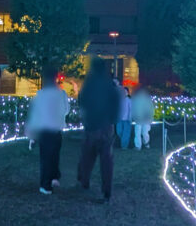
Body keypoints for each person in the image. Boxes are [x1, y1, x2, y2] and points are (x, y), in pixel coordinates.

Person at [77, 57, 119, 202]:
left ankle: (84, 181)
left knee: (87, 157)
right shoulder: (109, 84)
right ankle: (107, 190)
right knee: (106, 161)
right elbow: (116, 103)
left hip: (91, 126)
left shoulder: (88, 84)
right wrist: (113, 120)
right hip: (106, 127)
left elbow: (81, 101)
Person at [26, 64, 70, 194]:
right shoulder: (62, 93)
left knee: (46, 158)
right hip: (57, 130)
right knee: (54, 156)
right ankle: (54, 178)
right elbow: (66, 111)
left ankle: (45, 185)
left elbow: (34, 115)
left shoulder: (40, 94)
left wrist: (31, 135)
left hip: (44, 130)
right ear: (56, 77)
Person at [115, 84, 132, 149]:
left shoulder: (129, 100)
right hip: (119, 118)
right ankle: (123, 141)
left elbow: (131, 109)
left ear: (127, 93)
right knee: (119, 131)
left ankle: (124, 146)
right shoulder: (119, 100)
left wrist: (130, 117)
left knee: (126, 133)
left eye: (125, 92)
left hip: (127, 119)